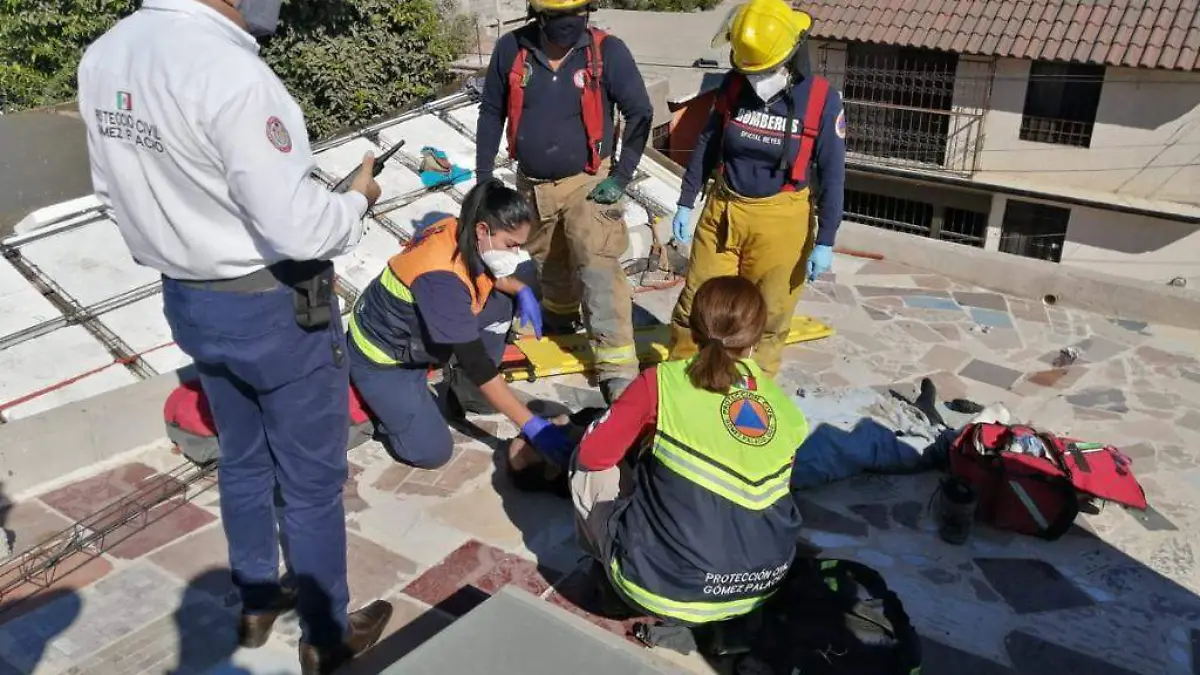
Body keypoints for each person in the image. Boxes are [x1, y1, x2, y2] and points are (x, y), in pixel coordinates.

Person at [76, 0, 392, 672]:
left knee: (243, 457)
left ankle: (256, 599)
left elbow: (111, 193)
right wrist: (357, 200)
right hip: (274, 307)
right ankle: (326, 634)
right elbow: (300, 229)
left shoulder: (106, 54)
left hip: (190, 299)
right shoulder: (233, 73)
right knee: (310, 482)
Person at [569, 276, 810, 625]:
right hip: (757, 589)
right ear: (757, 339)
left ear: (692, 329)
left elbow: (594, 455)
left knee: (586, 464)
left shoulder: (661, 381)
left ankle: (608, 575)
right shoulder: (784, 409)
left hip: (659, 587)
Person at [475, 0, 654, 404]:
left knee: (597, 265)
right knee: (549, 261)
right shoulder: (512, 50)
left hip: (588, 181)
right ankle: (560, 316)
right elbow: (491, 112)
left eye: (578, 14)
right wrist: (483, 176)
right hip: (532, 185)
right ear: (539, 15)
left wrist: (620, 177)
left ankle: (617, 371)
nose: (569, 24)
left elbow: (640, 112)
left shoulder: (606, 53)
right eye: (559, 16)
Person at [667, 0, 846, 378]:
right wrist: (686, 200)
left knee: (770, 314)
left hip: (782, 222)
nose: (753, 77)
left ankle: (752, 390)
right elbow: (707, 142)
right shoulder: (734, 87)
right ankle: (684, 379)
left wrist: (826, 239)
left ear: (790, 57)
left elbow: (833, 173)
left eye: (759, 69)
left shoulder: (821, 101)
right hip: (724, 210)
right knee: (697, 304)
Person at [346, 180, 574, 469]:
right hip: (384, 360)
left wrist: (520, 289)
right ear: (483, 230)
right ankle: (382, 411)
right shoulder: (442, 280)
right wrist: (530, 424)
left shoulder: (459, 229)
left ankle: (469, 393)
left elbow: (482, 271)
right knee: (432, 452)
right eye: (511, 245)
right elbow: (476, 361)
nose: (515, 254)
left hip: (414, 335)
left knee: (502, 303)